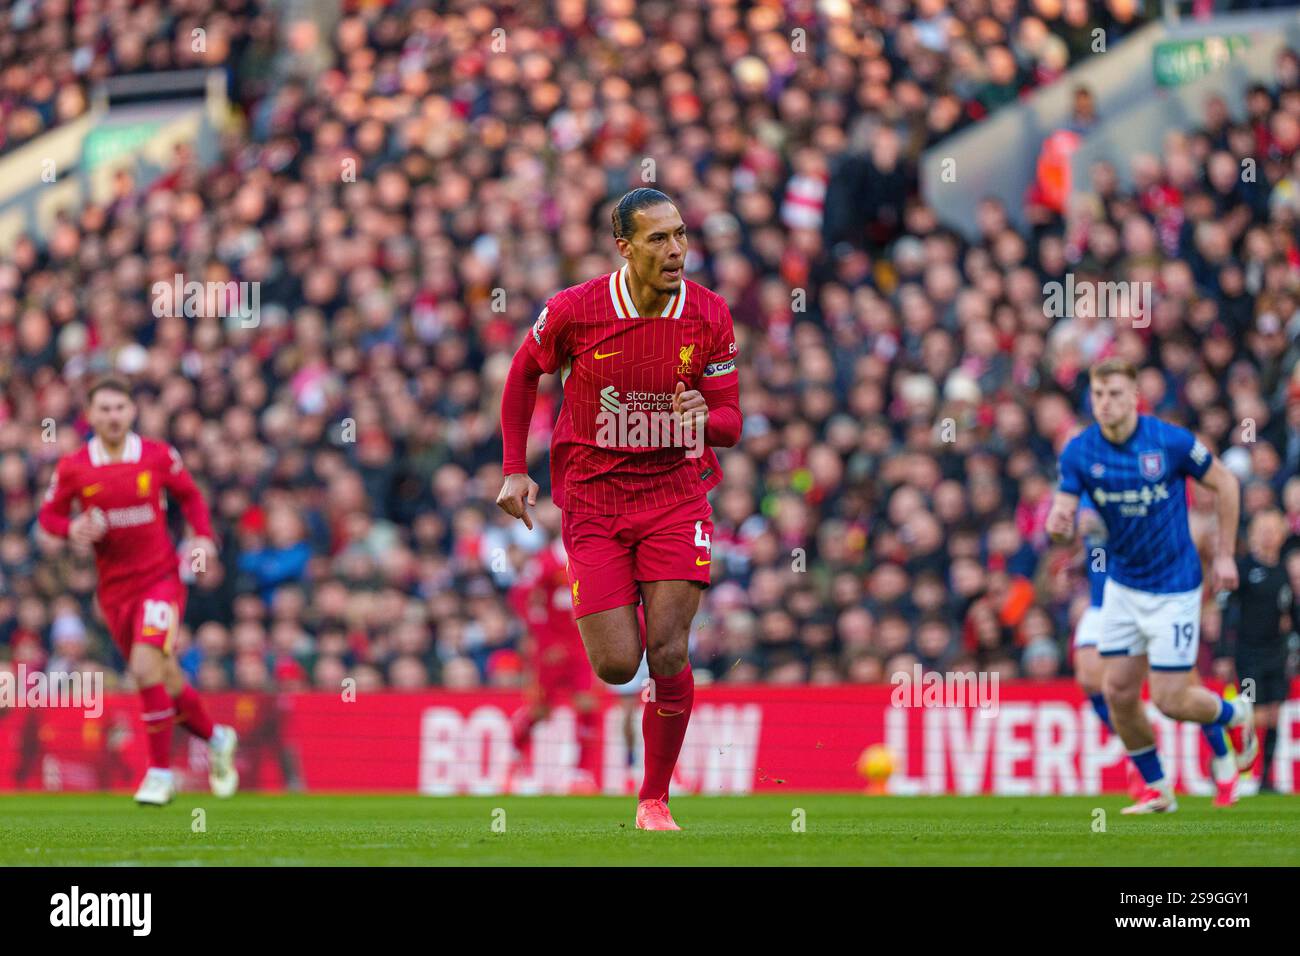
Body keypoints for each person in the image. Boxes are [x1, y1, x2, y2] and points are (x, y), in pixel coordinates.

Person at [496, 188, 743, 829]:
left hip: (674, 497)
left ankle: (653, 798)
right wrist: (515, 470)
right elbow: (523, 373)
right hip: (594, 502)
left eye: (681, 234)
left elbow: (732, 420)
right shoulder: (576, 310)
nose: (676, 250)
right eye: (658, 238)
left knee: (666, 651)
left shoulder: (710, 314)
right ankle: (645, 700)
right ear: (625, 247)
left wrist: (706, 419)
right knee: (614, 665)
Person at [1046, 358, 1254, 814]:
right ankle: (1158, 787)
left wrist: (1223, 553)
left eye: (1116, 393)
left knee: (1170, 699)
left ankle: (1236, 714)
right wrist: (1058, 524)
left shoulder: (1168, 441)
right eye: (1098, 395)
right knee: (1117, 693)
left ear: (1135, 396)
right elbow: (1062, 519)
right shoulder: (1079, 452)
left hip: (1174, 588)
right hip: (1122, 588)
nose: (1106, 403)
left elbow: (1226, 483)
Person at [37, 376, 239, 806]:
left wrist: (202, 537)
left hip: (161, 580)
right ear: (90, 415)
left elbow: (191, 498)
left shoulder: (157, 456)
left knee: (144, 668)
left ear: (132, 412)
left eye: (120, 408)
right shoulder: (74, 467)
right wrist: (72, 527)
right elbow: (48, 517)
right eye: (104, 409)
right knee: (164, 676)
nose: (113, 416)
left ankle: (160, 774)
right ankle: (217, 738)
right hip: (114, 592)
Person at [1223, 510, 1293, 791]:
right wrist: (1223, 652)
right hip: (1248, 653)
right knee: (1252, 712)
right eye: (1262, 529)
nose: (1268, 534)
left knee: (1275, 713)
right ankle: (1230, 763)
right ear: (1253, 534)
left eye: (1273, 529)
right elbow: (1228, 610)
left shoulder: (1286, 570)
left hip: (1277, 654)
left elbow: (1290, 610)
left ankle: (1266, 777)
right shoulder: (1242, 568)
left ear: (1282, 534)